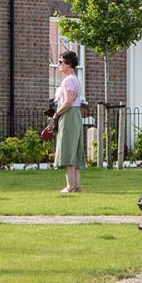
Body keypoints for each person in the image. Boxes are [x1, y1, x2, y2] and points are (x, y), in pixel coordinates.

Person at [52, 50, 85, 193]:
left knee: (68, 149)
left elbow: (67, 102)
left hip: (69, 115)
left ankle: (70, 186)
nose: (58, 65)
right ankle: (76, 186)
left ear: (69, 64)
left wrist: (56, 114)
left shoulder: (68, 80)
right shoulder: (74, 79)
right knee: (74, 150)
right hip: (75, 115)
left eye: (61, 62)